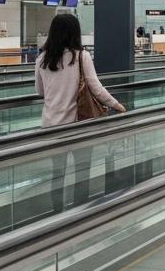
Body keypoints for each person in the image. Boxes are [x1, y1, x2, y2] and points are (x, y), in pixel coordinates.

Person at [35, 13, 126, 209]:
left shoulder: (42, 58)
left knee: (57, 173)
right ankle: (80, 209)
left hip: (51, 125)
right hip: (79, 124)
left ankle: (57, 211)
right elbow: (96, 88)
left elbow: (40, 91)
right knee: (82, 169)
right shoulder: (81, 56)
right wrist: (117, 105)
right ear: (75, 33)